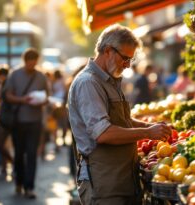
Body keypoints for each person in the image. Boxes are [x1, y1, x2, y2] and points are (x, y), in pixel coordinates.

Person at [68, 24, 172, 205]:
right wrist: (148, 133)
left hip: (122, 179)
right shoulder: (88, 83)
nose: (127, 65)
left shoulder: (109, 81)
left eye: (130, 60)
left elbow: (123, 121)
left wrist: (152, 127)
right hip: (104, 183)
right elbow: (103, 133)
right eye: (125, 58)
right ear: (108, 51)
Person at [4, 48, 49, 199]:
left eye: (34, 63)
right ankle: (19, 181)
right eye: (30, 63)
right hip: (18, 122)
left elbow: (47, 96)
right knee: (18, 155)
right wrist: (23, 100)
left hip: (35, 122)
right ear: (25, 62)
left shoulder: (41, 76)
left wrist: (41, 101)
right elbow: (8, 95)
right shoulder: (14, 75)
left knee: (31, 155)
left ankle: (29, 187)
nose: (32, 66)